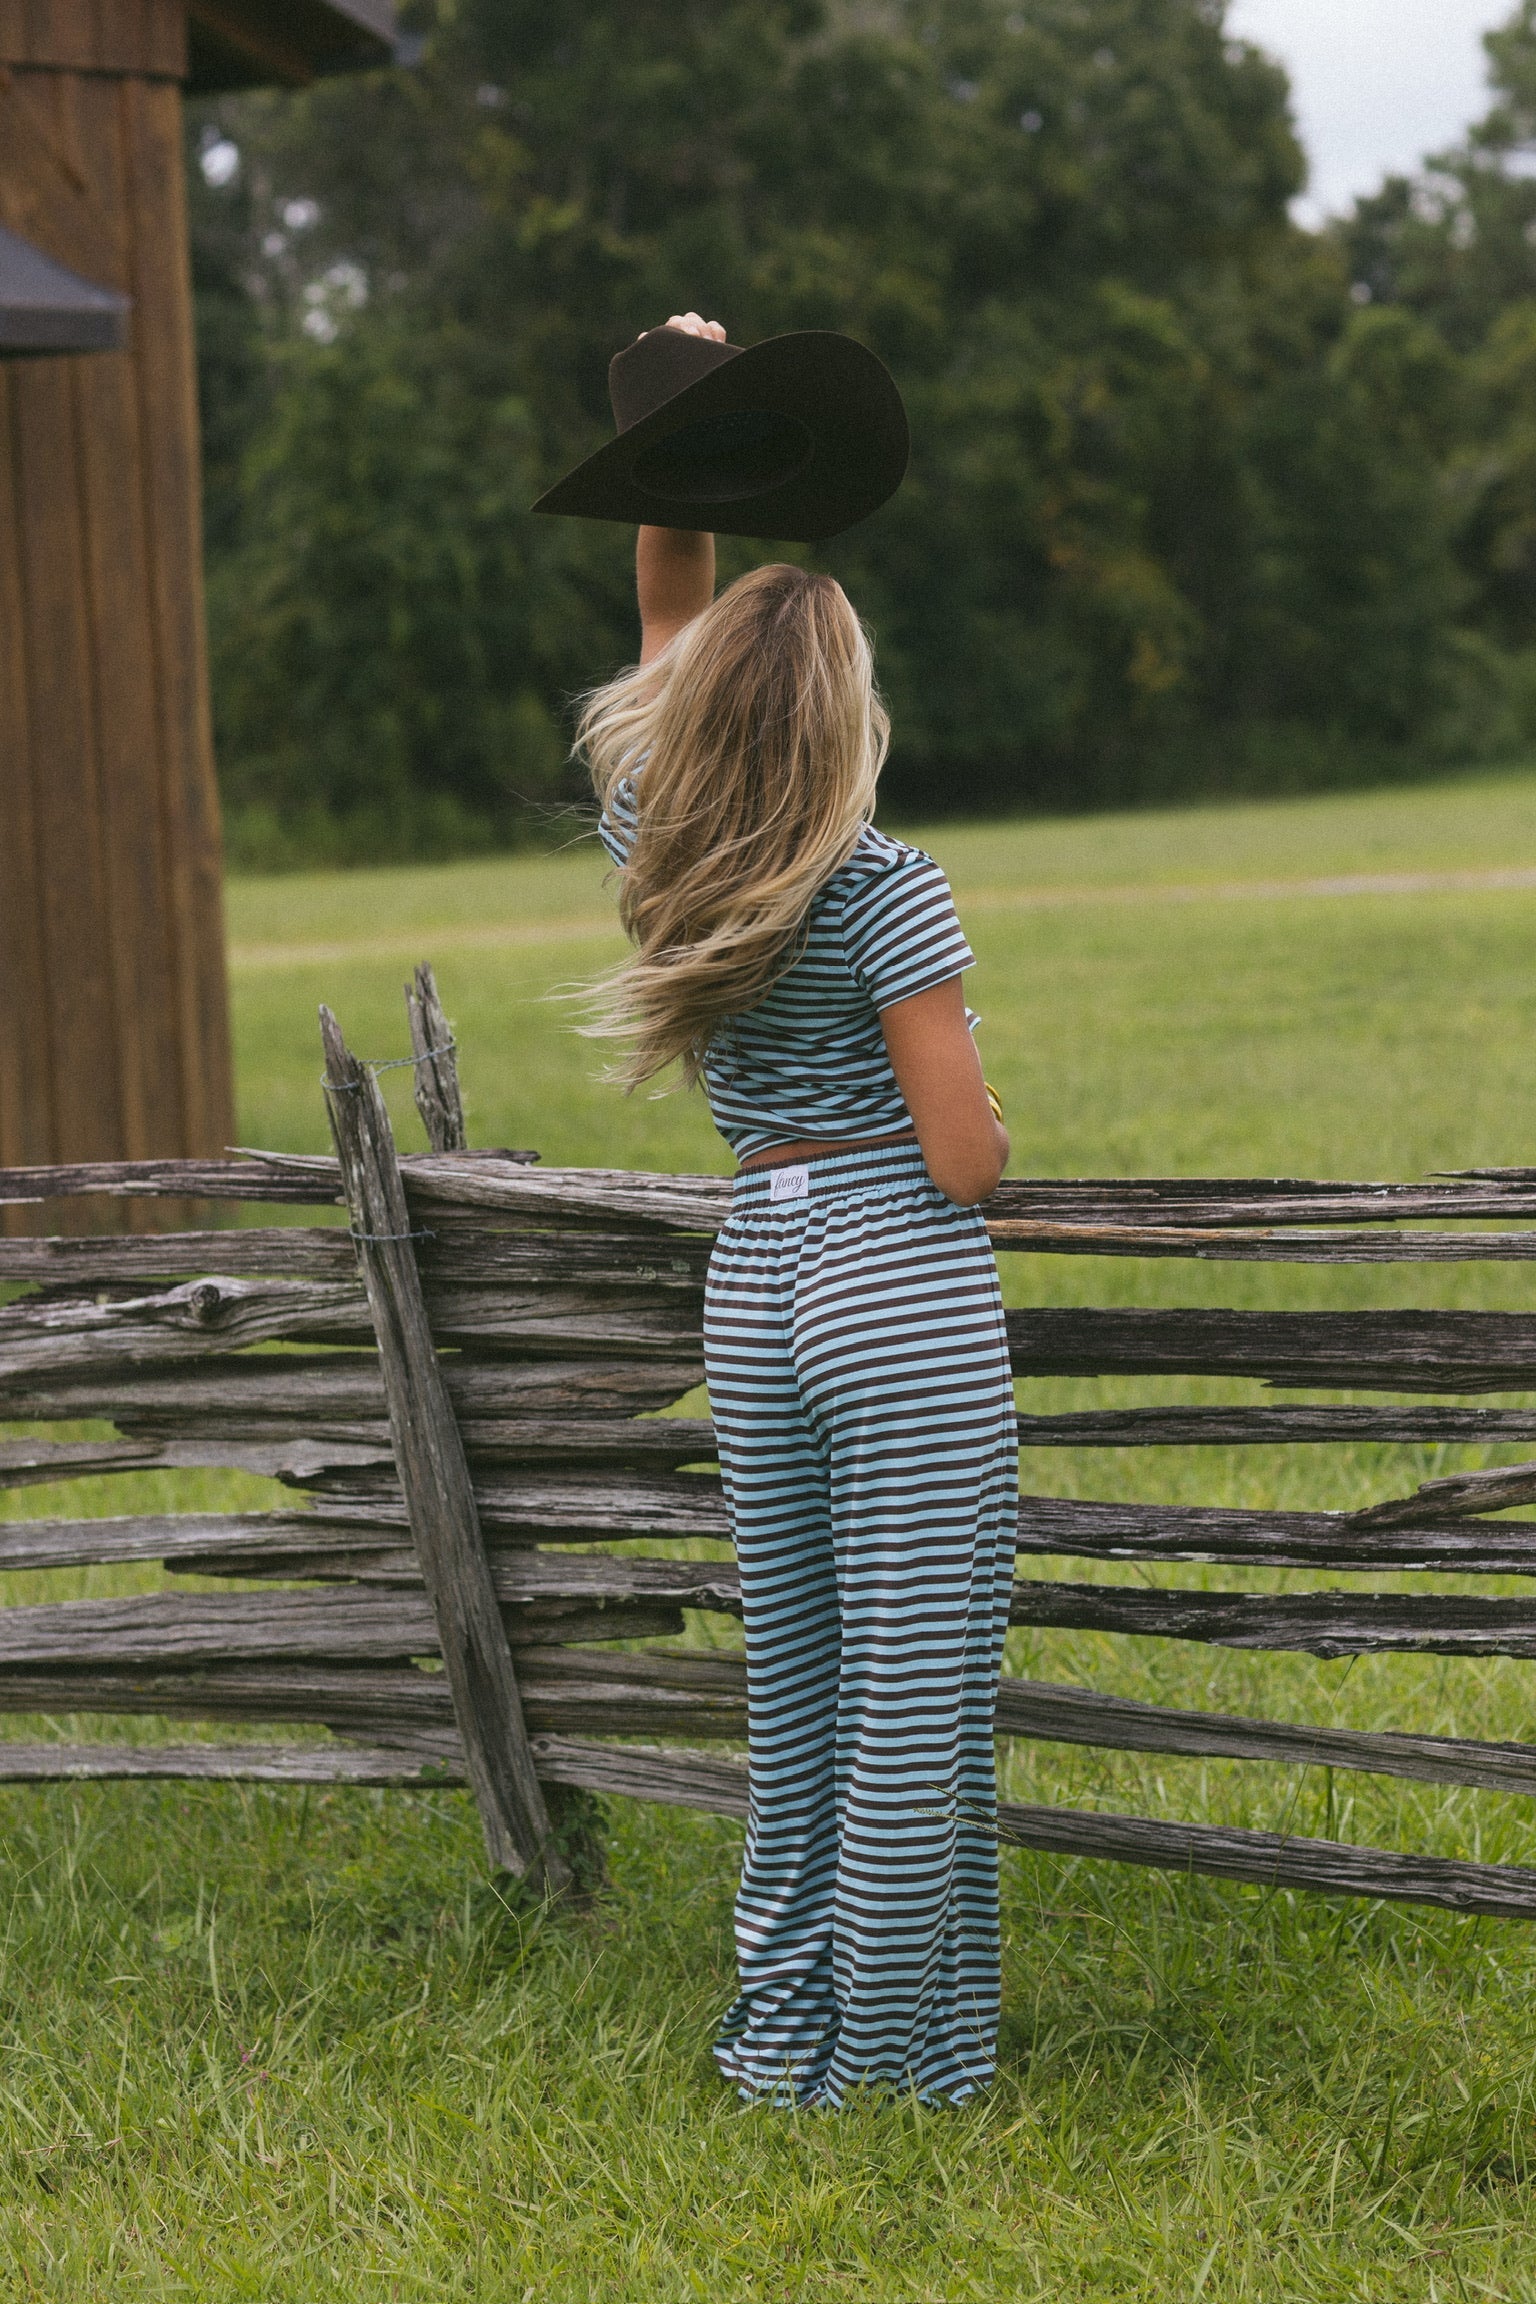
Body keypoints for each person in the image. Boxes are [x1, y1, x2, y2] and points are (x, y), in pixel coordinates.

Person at [577, 312, 1018, 2109]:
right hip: (898, 1283)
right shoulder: (885, 888)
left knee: (805, 1697)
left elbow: (664, 618)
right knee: (913, 1699)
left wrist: (680, 416)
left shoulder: (665, 846)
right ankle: (897, 2070)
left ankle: (782, 2046)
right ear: (846, 707)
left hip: (757, 1273)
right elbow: (967, 1158)